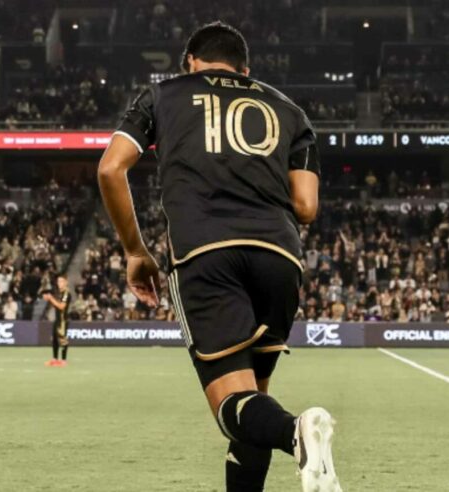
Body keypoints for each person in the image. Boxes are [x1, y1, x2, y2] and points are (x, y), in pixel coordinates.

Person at [98, 21, 341, 492]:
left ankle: (296, 432)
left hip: (206, 252)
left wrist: (135, 251)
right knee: (253, 402)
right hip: (279, 258)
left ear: (190, 62)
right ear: (245, 70)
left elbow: (110, 168)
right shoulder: (290, 111)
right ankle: (287, 434)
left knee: (232, 405)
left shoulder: (164, 95)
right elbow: (307, 206)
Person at [43, 276, 71, 367]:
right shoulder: (59, 293)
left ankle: (64, 360)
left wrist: (51, 299)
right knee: (55, 339)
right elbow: (56, 304)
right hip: (57, 319)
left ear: (66, 282)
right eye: (58, 281)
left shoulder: (66, 294)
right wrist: (49, 298)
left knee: (63, 339)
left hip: (63, 320)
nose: (59, 283)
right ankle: (54, 359)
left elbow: (61, 306)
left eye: (61, 281)